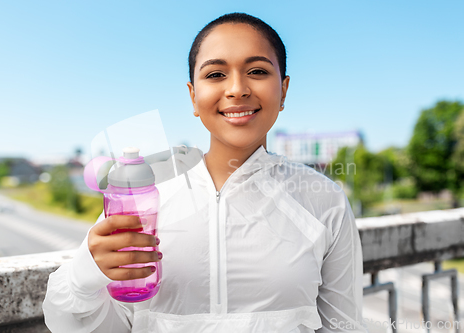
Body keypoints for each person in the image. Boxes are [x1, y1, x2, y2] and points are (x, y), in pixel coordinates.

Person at [43, 12, 367, 333]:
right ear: (193, 96)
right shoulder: (143, 196)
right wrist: (85, 275)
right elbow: (100, 325)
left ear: (283, 91)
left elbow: (344, 326)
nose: (237, 89)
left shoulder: (324, 200)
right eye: (215, 75)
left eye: (256, 71)